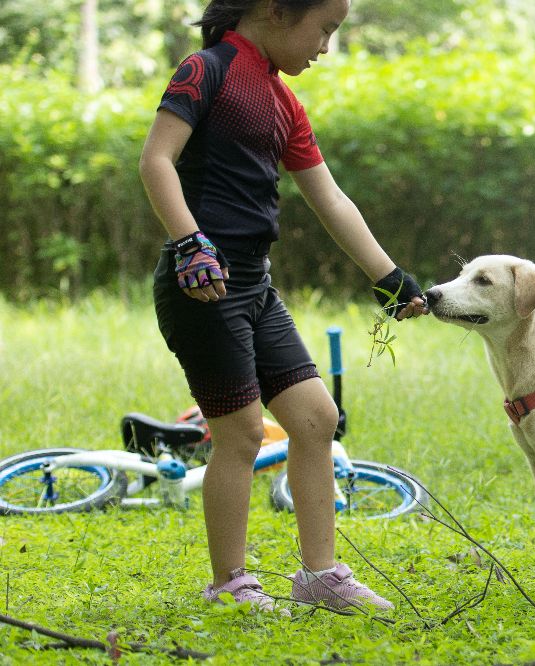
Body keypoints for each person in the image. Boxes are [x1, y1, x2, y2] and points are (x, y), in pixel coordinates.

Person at [138, 0, 425, 613]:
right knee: (239, 434)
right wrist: (190, 242)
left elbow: (330, 198)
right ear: (274, 10)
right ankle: (231, 586)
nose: (325, 46)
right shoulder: (206, 70)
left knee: (317, 417)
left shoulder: (283, 102)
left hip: (253, 286)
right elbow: (156, 160)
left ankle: (320, 577)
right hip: (201, 285)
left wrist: (389, 277)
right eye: (323, 28)